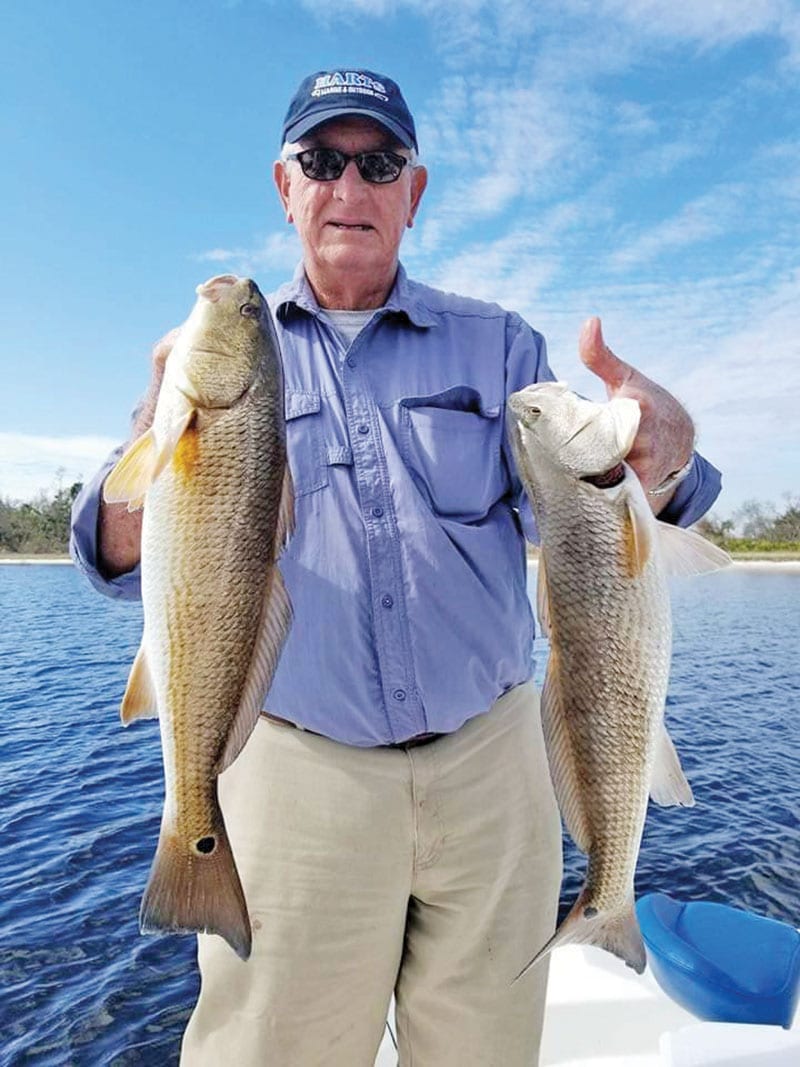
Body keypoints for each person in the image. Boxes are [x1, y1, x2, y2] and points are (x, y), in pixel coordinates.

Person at [71, 68, 722, 1066]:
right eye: (321, 162)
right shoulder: (212, 360)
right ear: (284, 187)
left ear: (412, 193)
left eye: (377, 163)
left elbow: (609, 505)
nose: (348, 186)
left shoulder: (501, 345)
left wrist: (665, 456)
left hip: (492, 766)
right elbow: (124, 551)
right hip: (295, 767)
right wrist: (131, 504)